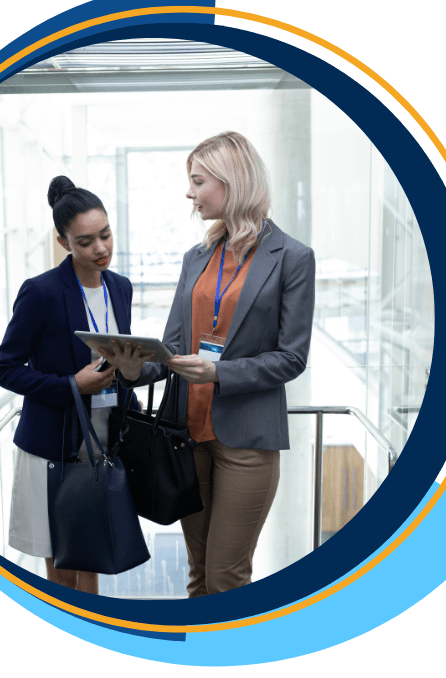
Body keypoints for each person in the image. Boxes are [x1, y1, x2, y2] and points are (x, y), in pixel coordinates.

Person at [97, 132, 316, 596]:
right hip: (184, 436)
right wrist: (136, 368)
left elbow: (292, 357)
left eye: (198, 181)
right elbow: (175, 345)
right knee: (197, 571)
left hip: (247, 442)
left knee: (226, 577)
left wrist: (220, 372)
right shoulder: (196, 258)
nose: (190, 193)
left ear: (231, 181)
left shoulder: (292, 258)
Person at [0, 175, 140, 594]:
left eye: (106, 236)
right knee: (59, 566)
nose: (101, 249)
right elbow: (5, 368)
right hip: (52, 446)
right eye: (86, 241)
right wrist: (71, 385)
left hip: (102, 440)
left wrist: (132, 369)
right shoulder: (41, 292)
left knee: (92, 557)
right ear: (63, 243)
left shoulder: (120, 288)